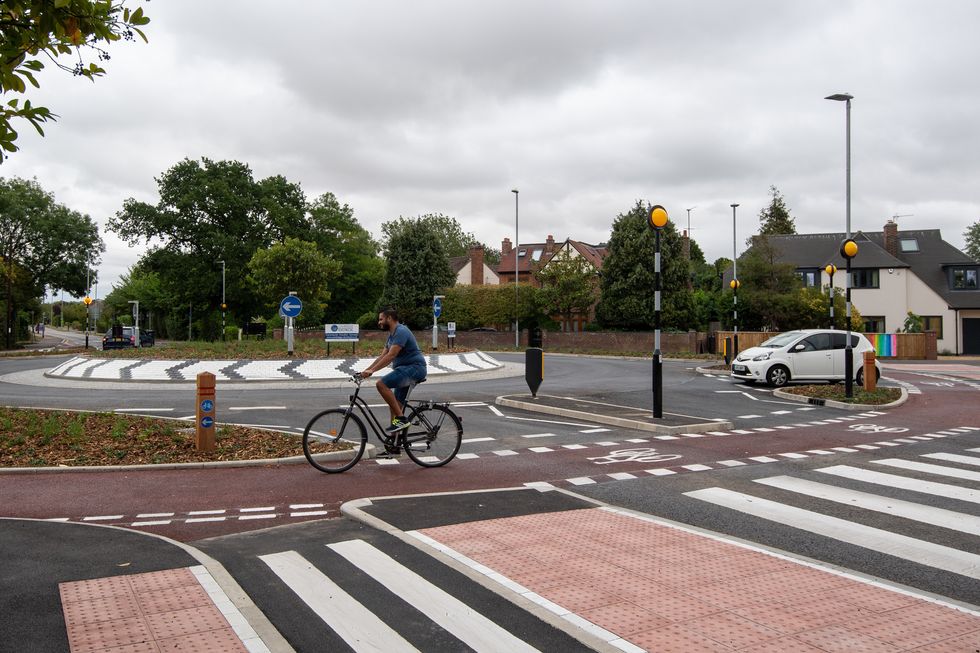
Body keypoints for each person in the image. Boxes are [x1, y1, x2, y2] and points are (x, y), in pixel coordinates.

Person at [360, 308, 427, 435]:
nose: (379, 322)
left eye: (381, 319)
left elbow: (391, 356)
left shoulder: (401, 331)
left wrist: (372, 371)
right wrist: (366, 371)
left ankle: (401, 420)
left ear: (389, 318)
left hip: (415, 368)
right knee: (395, 406)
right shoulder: (392, 335)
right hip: (404, 370)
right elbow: (382, 356)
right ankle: (394, 445)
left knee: (381, 384)